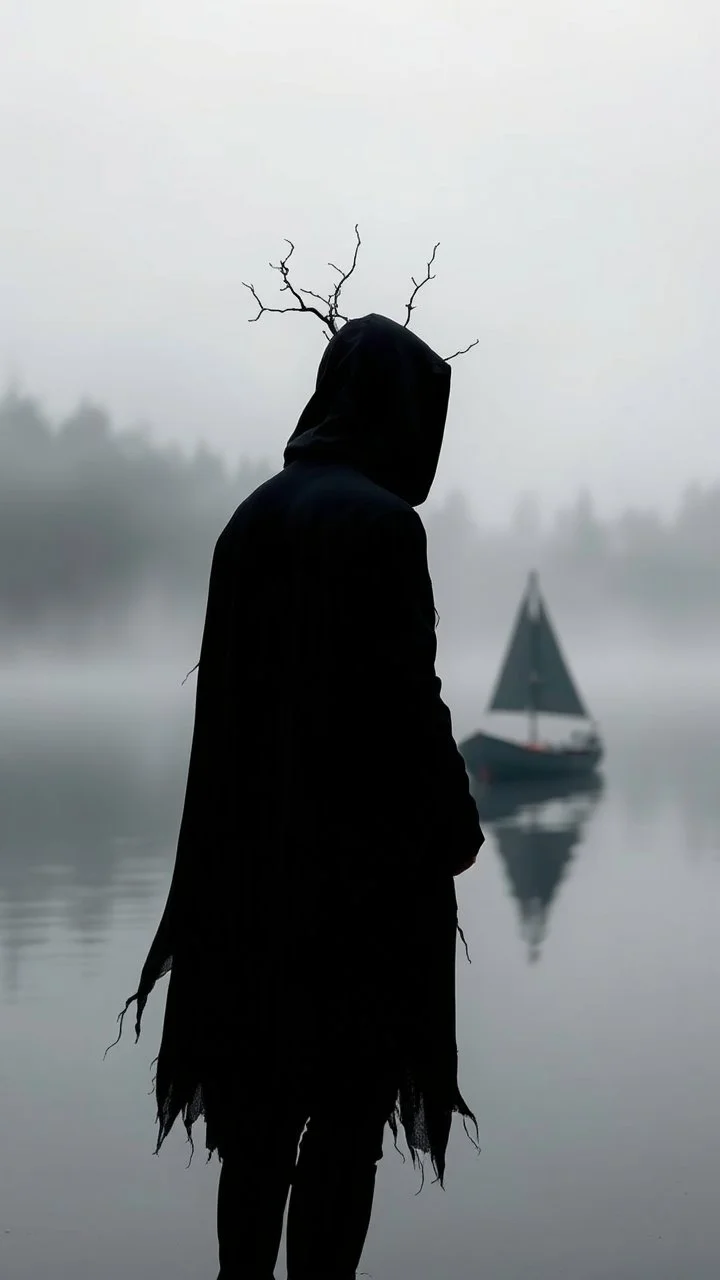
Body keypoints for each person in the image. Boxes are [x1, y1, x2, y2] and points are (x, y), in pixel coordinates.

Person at [112, 313, 484, 1279]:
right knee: (346, 1128)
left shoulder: (248, 520)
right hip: (355, 900)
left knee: (258, 1129)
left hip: (244, 887)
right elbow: (407, 701)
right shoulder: (384, 526)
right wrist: (456, 825)